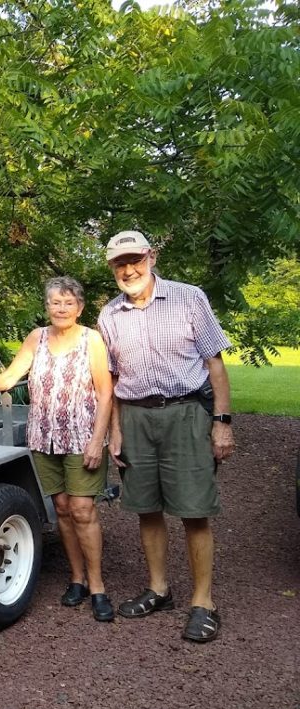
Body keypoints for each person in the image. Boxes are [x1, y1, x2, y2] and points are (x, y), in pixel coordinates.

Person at [98, 230, 234, 643]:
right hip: (136, 418)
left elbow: (215, 364)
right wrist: (115, 432)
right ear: (112, 268)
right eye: (120, 263)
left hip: (186, 414)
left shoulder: (189, 297)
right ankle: (159, 589)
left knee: (194, 510)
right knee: (147, 507)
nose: (129, 269)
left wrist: (222, 421)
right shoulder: (109, 315)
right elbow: (113, 378)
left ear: (151, 257)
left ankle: (203, 602)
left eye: (135, 259)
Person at [0, 277, 114, 621]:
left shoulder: (92, 340)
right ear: (47, 306)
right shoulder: (37, 337)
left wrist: (97, 439)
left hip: (81, 436)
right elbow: (11, 375)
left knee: (82, 510)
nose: (61, 309)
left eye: (68, 303)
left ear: (80, 307)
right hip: (44, 435)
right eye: (55, 303)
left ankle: (97, 586)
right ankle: (76, 579)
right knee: (61, 507)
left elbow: (106, 393)